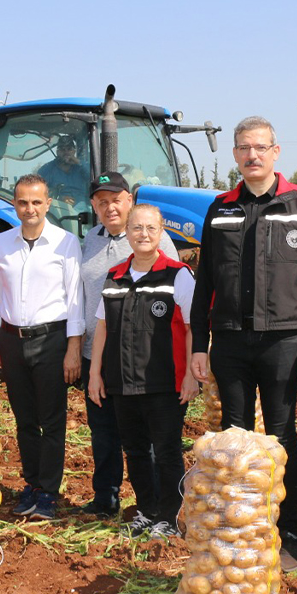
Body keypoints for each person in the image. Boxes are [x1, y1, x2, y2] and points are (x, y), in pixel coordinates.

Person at [190, 116, 297, 571]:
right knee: (235, 439)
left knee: (282, 436)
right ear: (234, 155)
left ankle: (288, 532)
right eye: (244, 148)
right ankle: (241, 526)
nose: (253, 155)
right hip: (229, 341)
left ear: (276, 151)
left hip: (283, 341)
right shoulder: (220, 207)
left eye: (260, 147)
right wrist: (198, 344)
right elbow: (205, 279)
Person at [87, 203, 198, 539]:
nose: (144, 235)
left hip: (165, 383)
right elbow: (103, 326)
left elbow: (194, 328)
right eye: (137, 228)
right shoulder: (115, 276)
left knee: (166, 451)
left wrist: (192, 374)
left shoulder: (178, 275)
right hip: (121, 382)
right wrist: (95, 373)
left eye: (151, 228)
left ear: (161, 232)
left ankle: (170, 516)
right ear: (129, 233)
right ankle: (146, 512)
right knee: (134, 451)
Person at [78, 171, 178, 518]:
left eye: (116, 200)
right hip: (99, 354)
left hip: (145, 360)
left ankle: (154, 508)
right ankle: (105, 498)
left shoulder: (156, 241)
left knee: (147, 442)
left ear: (129, 200)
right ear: (93, 205)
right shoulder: (89, 239)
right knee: (103, 435)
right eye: (102, 202)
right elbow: (84, 300)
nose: (110, 207)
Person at [0, 174, 85, 521]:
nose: (29, 209)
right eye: (22, 202)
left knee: (52, 419)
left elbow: (75, 299)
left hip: (51, 340)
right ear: (14, 205)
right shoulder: (2, 242)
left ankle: (48, 491)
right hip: (13, 339)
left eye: (35, 202)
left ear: (47, 204)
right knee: (24, 419)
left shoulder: (65, 242)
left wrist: (73, 347)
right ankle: (30, 483)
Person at [38, 135, 92, 209]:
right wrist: (59, 199)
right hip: (57, 210)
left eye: (69, 149)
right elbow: (39, 193)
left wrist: (78, 162)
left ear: (74, 151)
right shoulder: (46, 170)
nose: (66, 152)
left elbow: (95, 178)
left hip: (83, 209)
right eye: (62, 150)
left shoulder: (81, 167)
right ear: (57, 152)